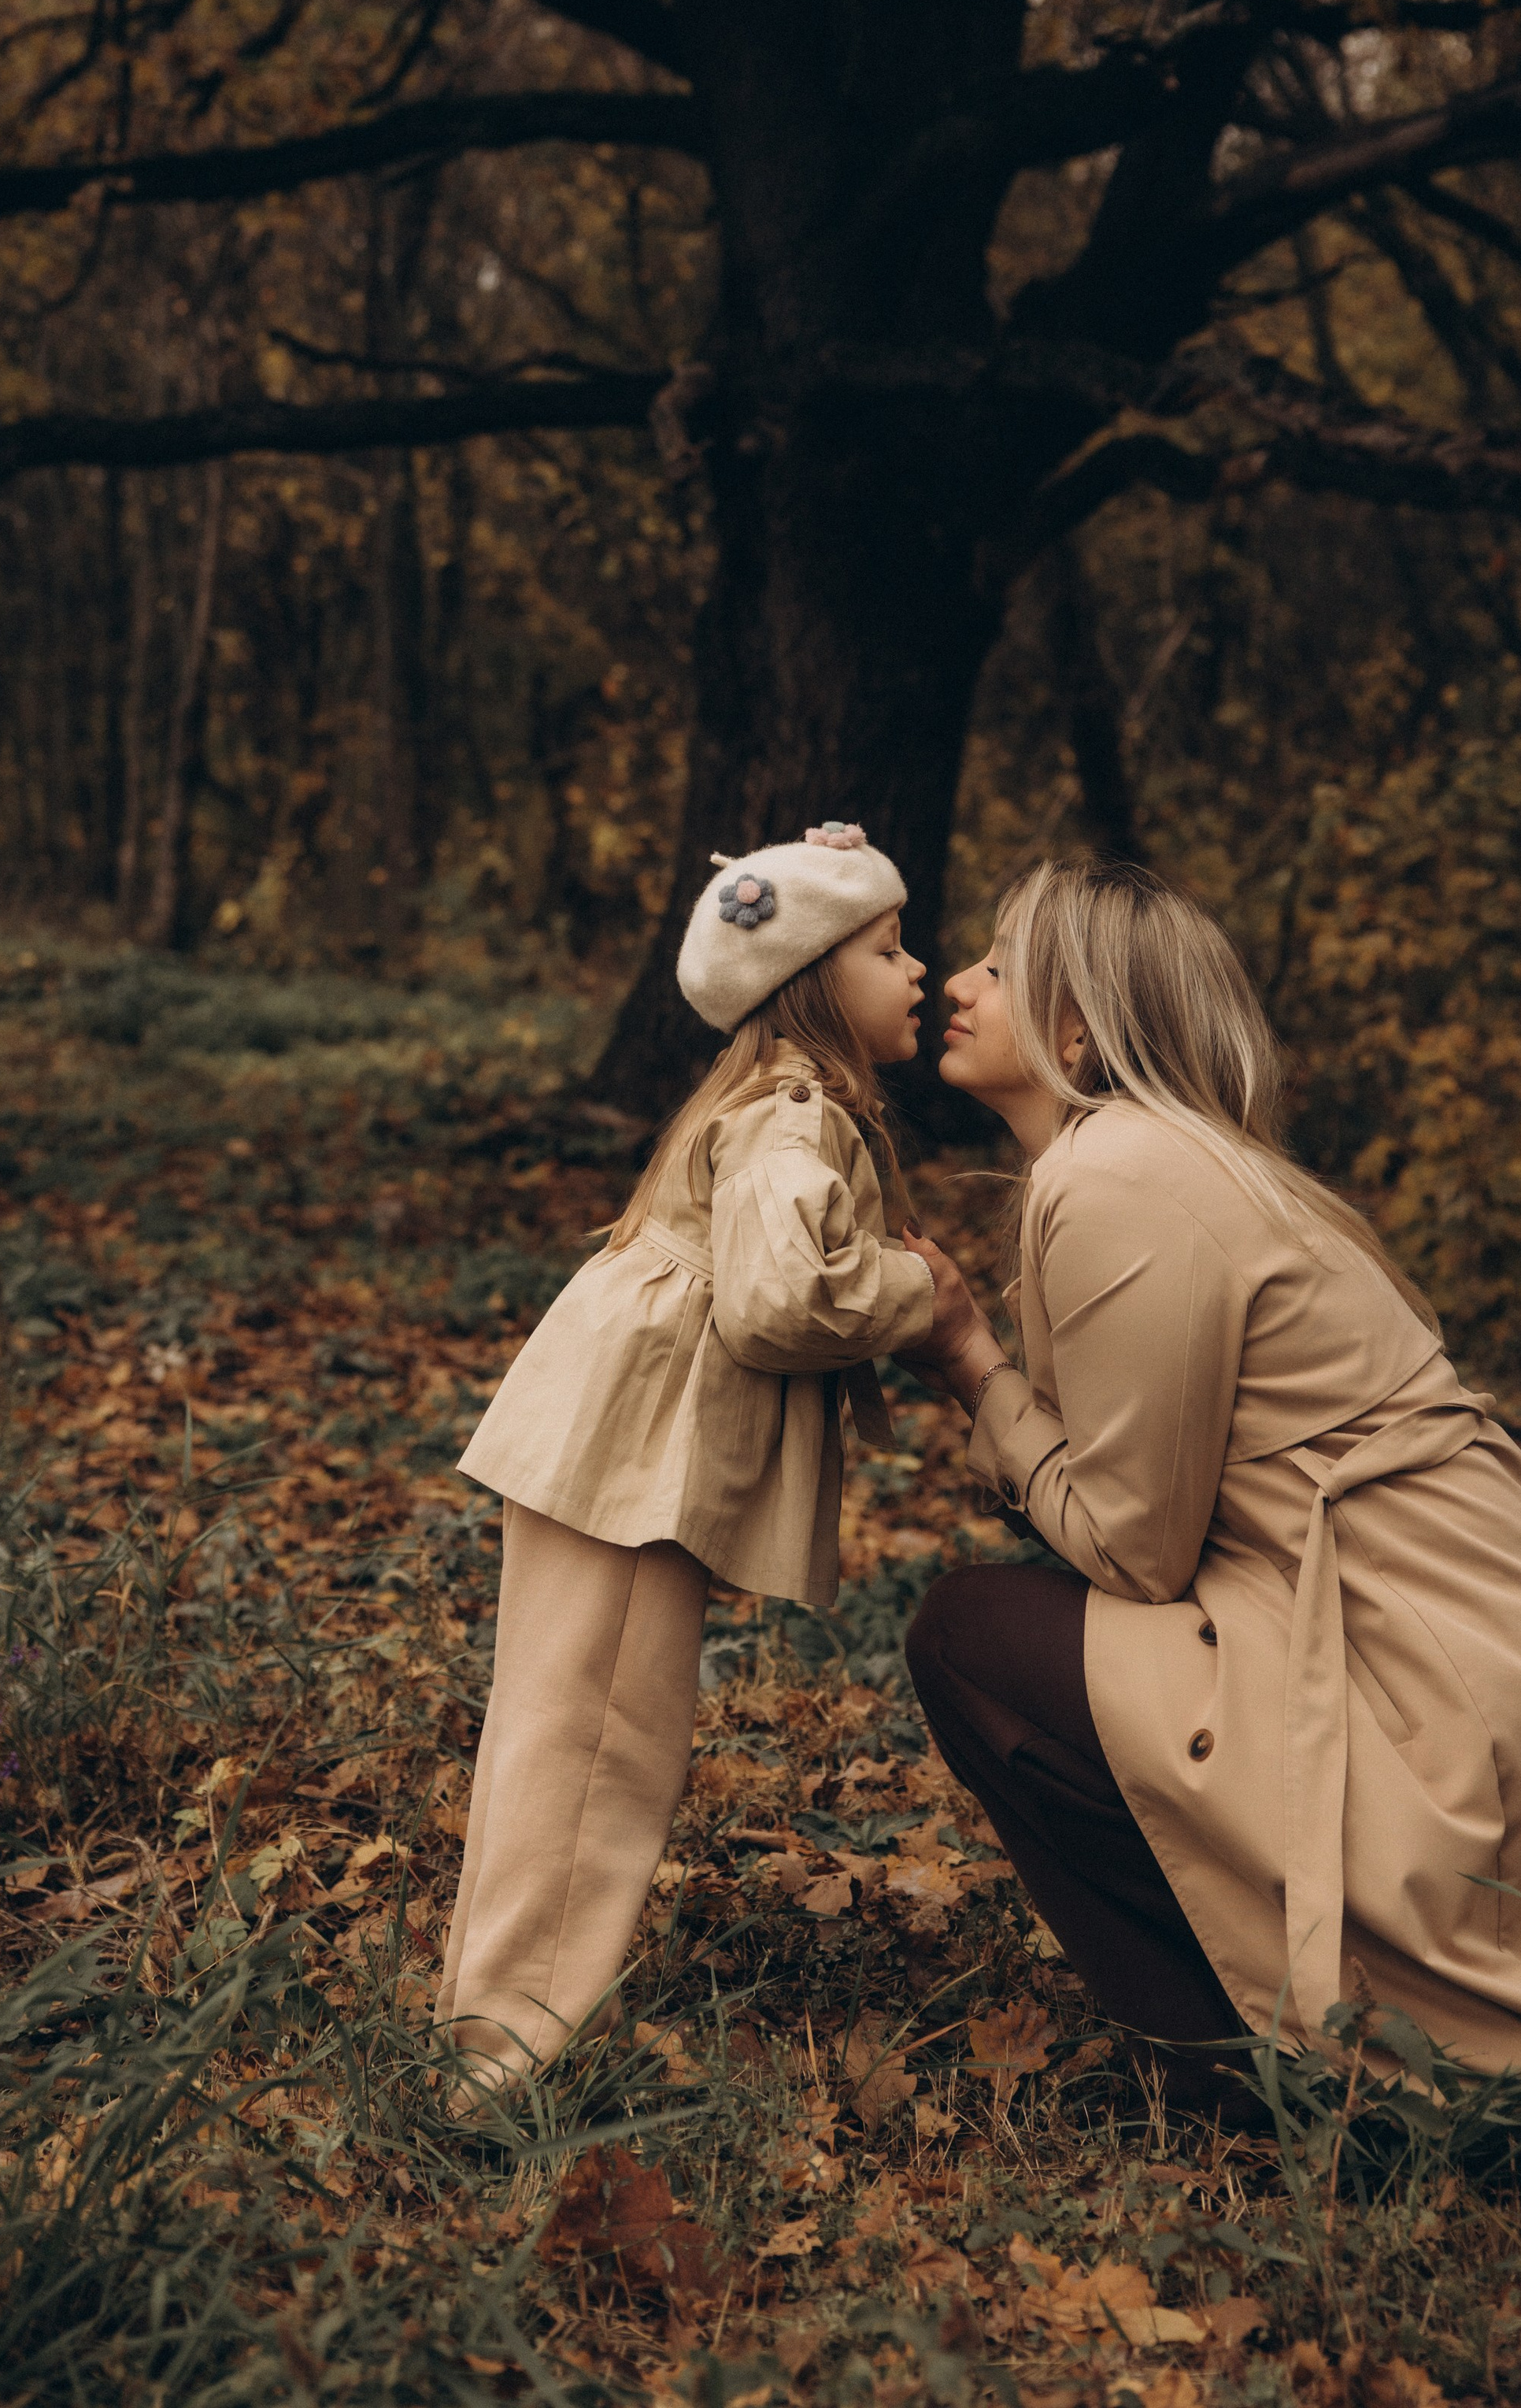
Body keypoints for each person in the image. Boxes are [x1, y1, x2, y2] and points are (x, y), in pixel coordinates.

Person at [903, 858, 1521, 2088]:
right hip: (1497, 1657)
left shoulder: (1118, 1174)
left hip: (1434, 1693)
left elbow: (1134, 1551)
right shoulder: (1181, 1161)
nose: (958, 982)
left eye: (1001, 965)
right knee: (1033, 1624)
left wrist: (967, 1359)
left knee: (966, 1632)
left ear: (1076, 1024)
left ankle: (1234, 2065)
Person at [437, 823, 938, 2094]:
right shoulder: (793, 1114)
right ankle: (506, 2064)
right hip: (634, 1463)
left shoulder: (752, 1094)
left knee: (554, 1727)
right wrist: (914, 1288)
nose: (922, 970)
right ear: (819, 978)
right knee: (601, 1743)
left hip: (609, 1440)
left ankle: (485, 2018)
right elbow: (781, 1301)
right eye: (889, 947)